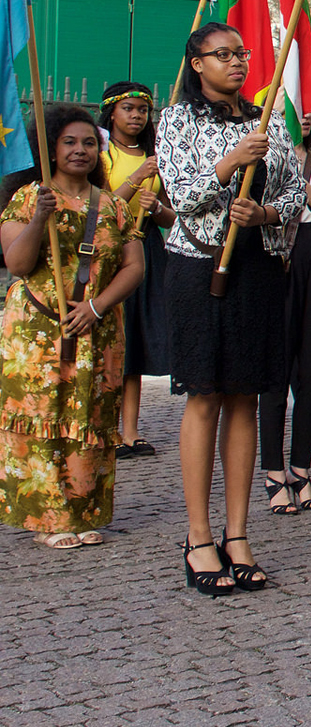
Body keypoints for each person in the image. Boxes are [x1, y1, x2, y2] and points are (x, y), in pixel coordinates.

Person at [158, 23, 305, 594]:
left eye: (242, 54)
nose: (237, 63)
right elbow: (182, 190)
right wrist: (229, 164)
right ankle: (198, 537)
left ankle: (238, 533)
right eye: (223, 55)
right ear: (197, 63)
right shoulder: (177, 119)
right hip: (200, 269)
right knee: (206, 395)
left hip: (258, 267)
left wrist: (266, 216)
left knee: (247, 395)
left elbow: (296, 193)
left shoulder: (263, 120)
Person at [0, 105, 145, 549]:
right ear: (50, 148)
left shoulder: (115, 207)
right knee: (45, 415)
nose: (80, 150)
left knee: (90, 417)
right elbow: (18, 264)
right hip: (37, 334)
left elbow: (133, 267)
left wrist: (97, 307)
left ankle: (82, 511)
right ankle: (48, 517)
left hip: (97, 330)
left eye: (88, 143)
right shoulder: (27, 198)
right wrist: (41, 216)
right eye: (69, 142)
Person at [258, 106, 311, 515]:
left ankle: (301, 468)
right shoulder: (262, 155)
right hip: (275, 256)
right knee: (274, 374)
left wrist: (301, 183)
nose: (305, 118)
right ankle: (273, 473)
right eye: (296, 109)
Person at [99, 81, 172, 460]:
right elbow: (100, 207)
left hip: (146, 248)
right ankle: (106, 429)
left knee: (135, 344)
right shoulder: (102, 155)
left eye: (142, 110)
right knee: (113, 341)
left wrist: (157, 207)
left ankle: (131, 430)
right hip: (111, 252)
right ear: (112, 112)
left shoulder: (155, 155)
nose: (136, 116)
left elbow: (170, 214)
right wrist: (134, 180)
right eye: (128, 109)